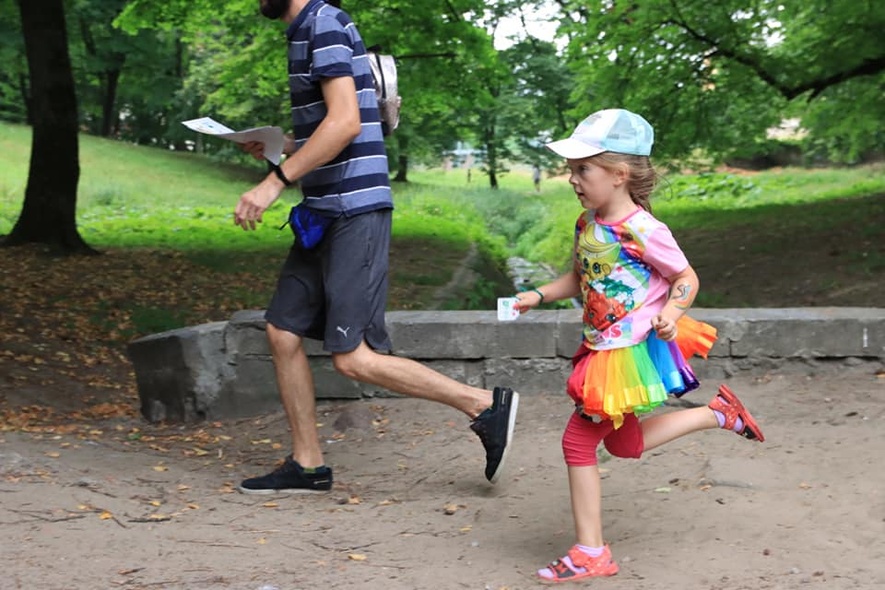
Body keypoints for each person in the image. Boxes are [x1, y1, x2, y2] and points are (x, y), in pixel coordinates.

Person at [233, 0, 519, 494]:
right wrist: (281, 148)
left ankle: (483, 405)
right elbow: (347, 125)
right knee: (282, 331)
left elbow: (344, 123)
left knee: (353, 357)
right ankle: (307, 465)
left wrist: (273, 180)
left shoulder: (322, 22)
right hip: (324, 211)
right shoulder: (307, 28)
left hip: (353, 211)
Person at [513, 108, 765, 583]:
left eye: (582, 169)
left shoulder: (643, 229)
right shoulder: (587, 223)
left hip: (625, 354)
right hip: (600, 346)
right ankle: (719, 413)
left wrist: (672, 314)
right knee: (625, 445)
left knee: (577, 441)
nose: (572, 179)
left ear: (619, 174)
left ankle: (591, 552)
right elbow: (581, 275)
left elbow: (686, 278)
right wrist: (538, 295)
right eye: (571, 169)